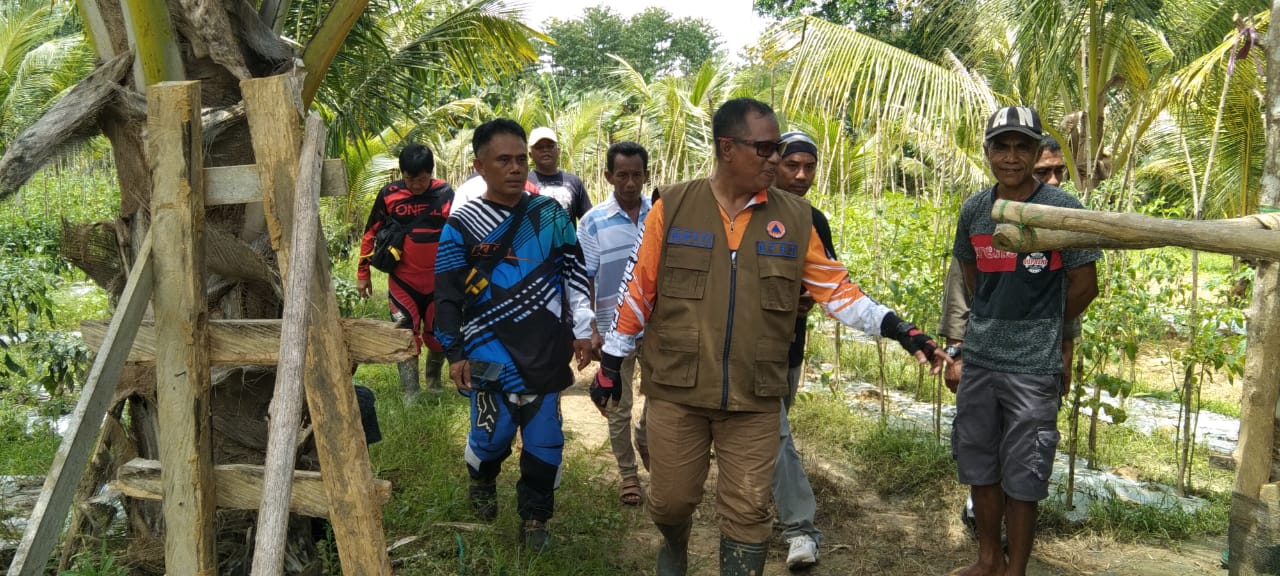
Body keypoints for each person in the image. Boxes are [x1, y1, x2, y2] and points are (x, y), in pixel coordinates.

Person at [594, 98, 947, 576]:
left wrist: (901, 330)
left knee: (749, 512)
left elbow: (838, 291)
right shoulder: (673, 207)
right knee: (672, 501)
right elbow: (638, 290)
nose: (775, 160)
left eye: (777, 148)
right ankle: (673, 545)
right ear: (727, 148)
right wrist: (611, 363)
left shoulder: (796, 220)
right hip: (678, 387)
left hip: (755, 393)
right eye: (765, 148)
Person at [948, 106, 1099, 576]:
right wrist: (987, 329)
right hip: (981, 361)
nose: (1011, 157)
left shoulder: (1063, 210)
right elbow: (972, 279)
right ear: (988, 151)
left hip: (1034, 367)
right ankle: (988, 559)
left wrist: (1043, 328)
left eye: (1021, 147)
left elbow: (1085, 285)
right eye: (1001, 146)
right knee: (980, 464)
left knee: (1026, 472)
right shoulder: (975, 210)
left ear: (1036, 153)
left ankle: (1016, 569)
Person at [433, 118, 594, 553]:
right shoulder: (461, 225)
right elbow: (446, 296)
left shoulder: (551, 216)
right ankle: (482, 478)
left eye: (520, 159)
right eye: (503, 160)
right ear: (479, 165)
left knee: (545, 440)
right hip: (487, 350)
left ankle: (536, 519)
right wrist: (455, 354)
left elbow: (574, 272)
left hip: (545, 349)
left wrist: (582, 328)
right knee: (493, 436)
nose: (516, 168)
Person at [769, 130, 835, 571]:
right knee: (775, 436)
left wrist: (807, 299)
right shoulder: (747, 213)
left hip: (789, 345)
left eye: (809, 167)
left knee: (772, 436)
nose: (801, 175)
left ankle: (755, 503)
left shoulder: (815, 220)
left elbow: (826, 280)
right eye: (792, 165)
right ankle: (800, 529)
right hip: (746, 350)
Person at [578, 141, 653, 507]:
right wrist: (591, 330)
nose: (629, 182)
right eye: (621, 175)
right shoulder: (592, 222)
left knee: (663, 399)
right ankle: (628, 474)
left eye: (636, 175)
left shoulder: (661, 217)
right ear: (608, 176)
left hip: (658, 329)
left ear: (645, 175)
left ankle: (647, 436)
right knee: (618, 404)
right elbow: (585, 279)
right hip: (613, 330)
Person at [356, 144, 453, 399]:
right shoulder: (389, 194)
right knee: (403, 333)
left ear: (430, 174)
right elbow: (370, 233)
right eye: (410, 179)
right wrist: (362, 274)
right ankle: (411, 393)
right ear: (402, 175)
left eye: (421, 179)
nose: (416, 185)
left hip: (438, 282)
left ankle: (434, 383)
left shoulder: (445, 192)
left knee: (437, 334)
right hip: (403, 282)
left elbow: (459, 233)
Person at [527, 126, 592, 224]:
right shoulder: (524, 182)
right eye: (539, 147)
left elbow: (588, 221)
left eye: (550, 146)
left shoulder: (574, 182)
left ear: (558, 151)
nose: (545, 150)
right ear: (530, 154)